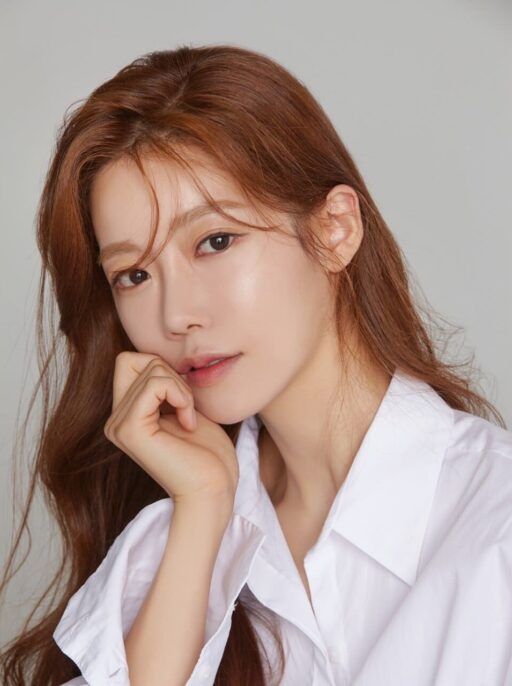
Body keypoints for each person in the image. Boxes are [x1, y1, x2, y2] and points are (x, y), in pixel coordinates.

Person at [1, 44, 511, 686]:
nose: (176, 315)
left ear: (334, 229)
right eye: (134, 275)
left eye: (215, 241)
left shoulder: (494, 527)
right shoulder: (176, 540)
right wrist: (203, 506)